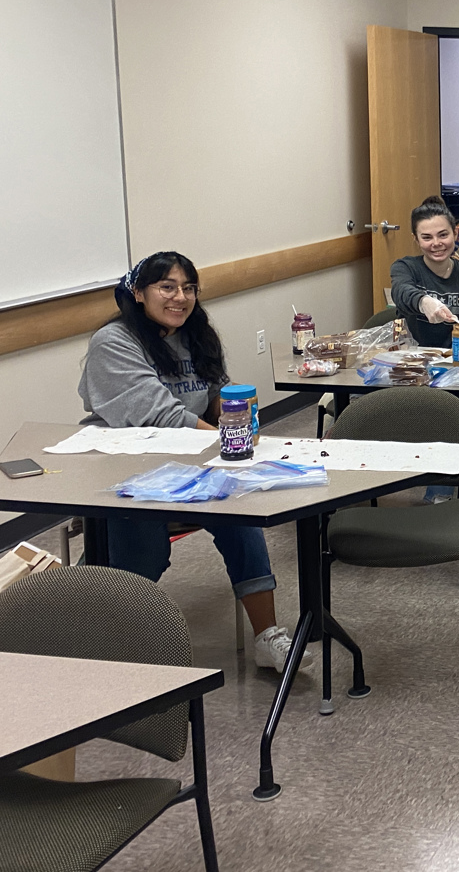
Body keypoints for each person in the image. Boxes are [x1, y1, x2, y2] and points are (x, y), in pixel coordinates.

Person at [78, 252, 304, 673]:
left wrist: (236, 412)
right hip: (128, 467)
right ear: (138, 293)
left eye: (188, 288)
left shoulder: (197, 334)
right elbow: (161, 416)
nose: (180, 297)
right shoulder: (114, 342)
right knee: (144, 551)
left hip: (191, 460)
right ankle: (98, 628)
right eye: (167, 287)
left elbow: (216, 392)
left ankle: (267, 636)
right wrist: (228, 441)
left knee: (241, 517)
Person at [391, 195, 459, 349]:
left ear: (455, 234)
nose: (436, 243)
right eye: (427, 238)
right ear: (416, 240)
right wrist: (423, 302)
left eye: (443, 235)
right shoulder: (406, 267)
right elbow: (400, 291)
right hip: (415, 358)